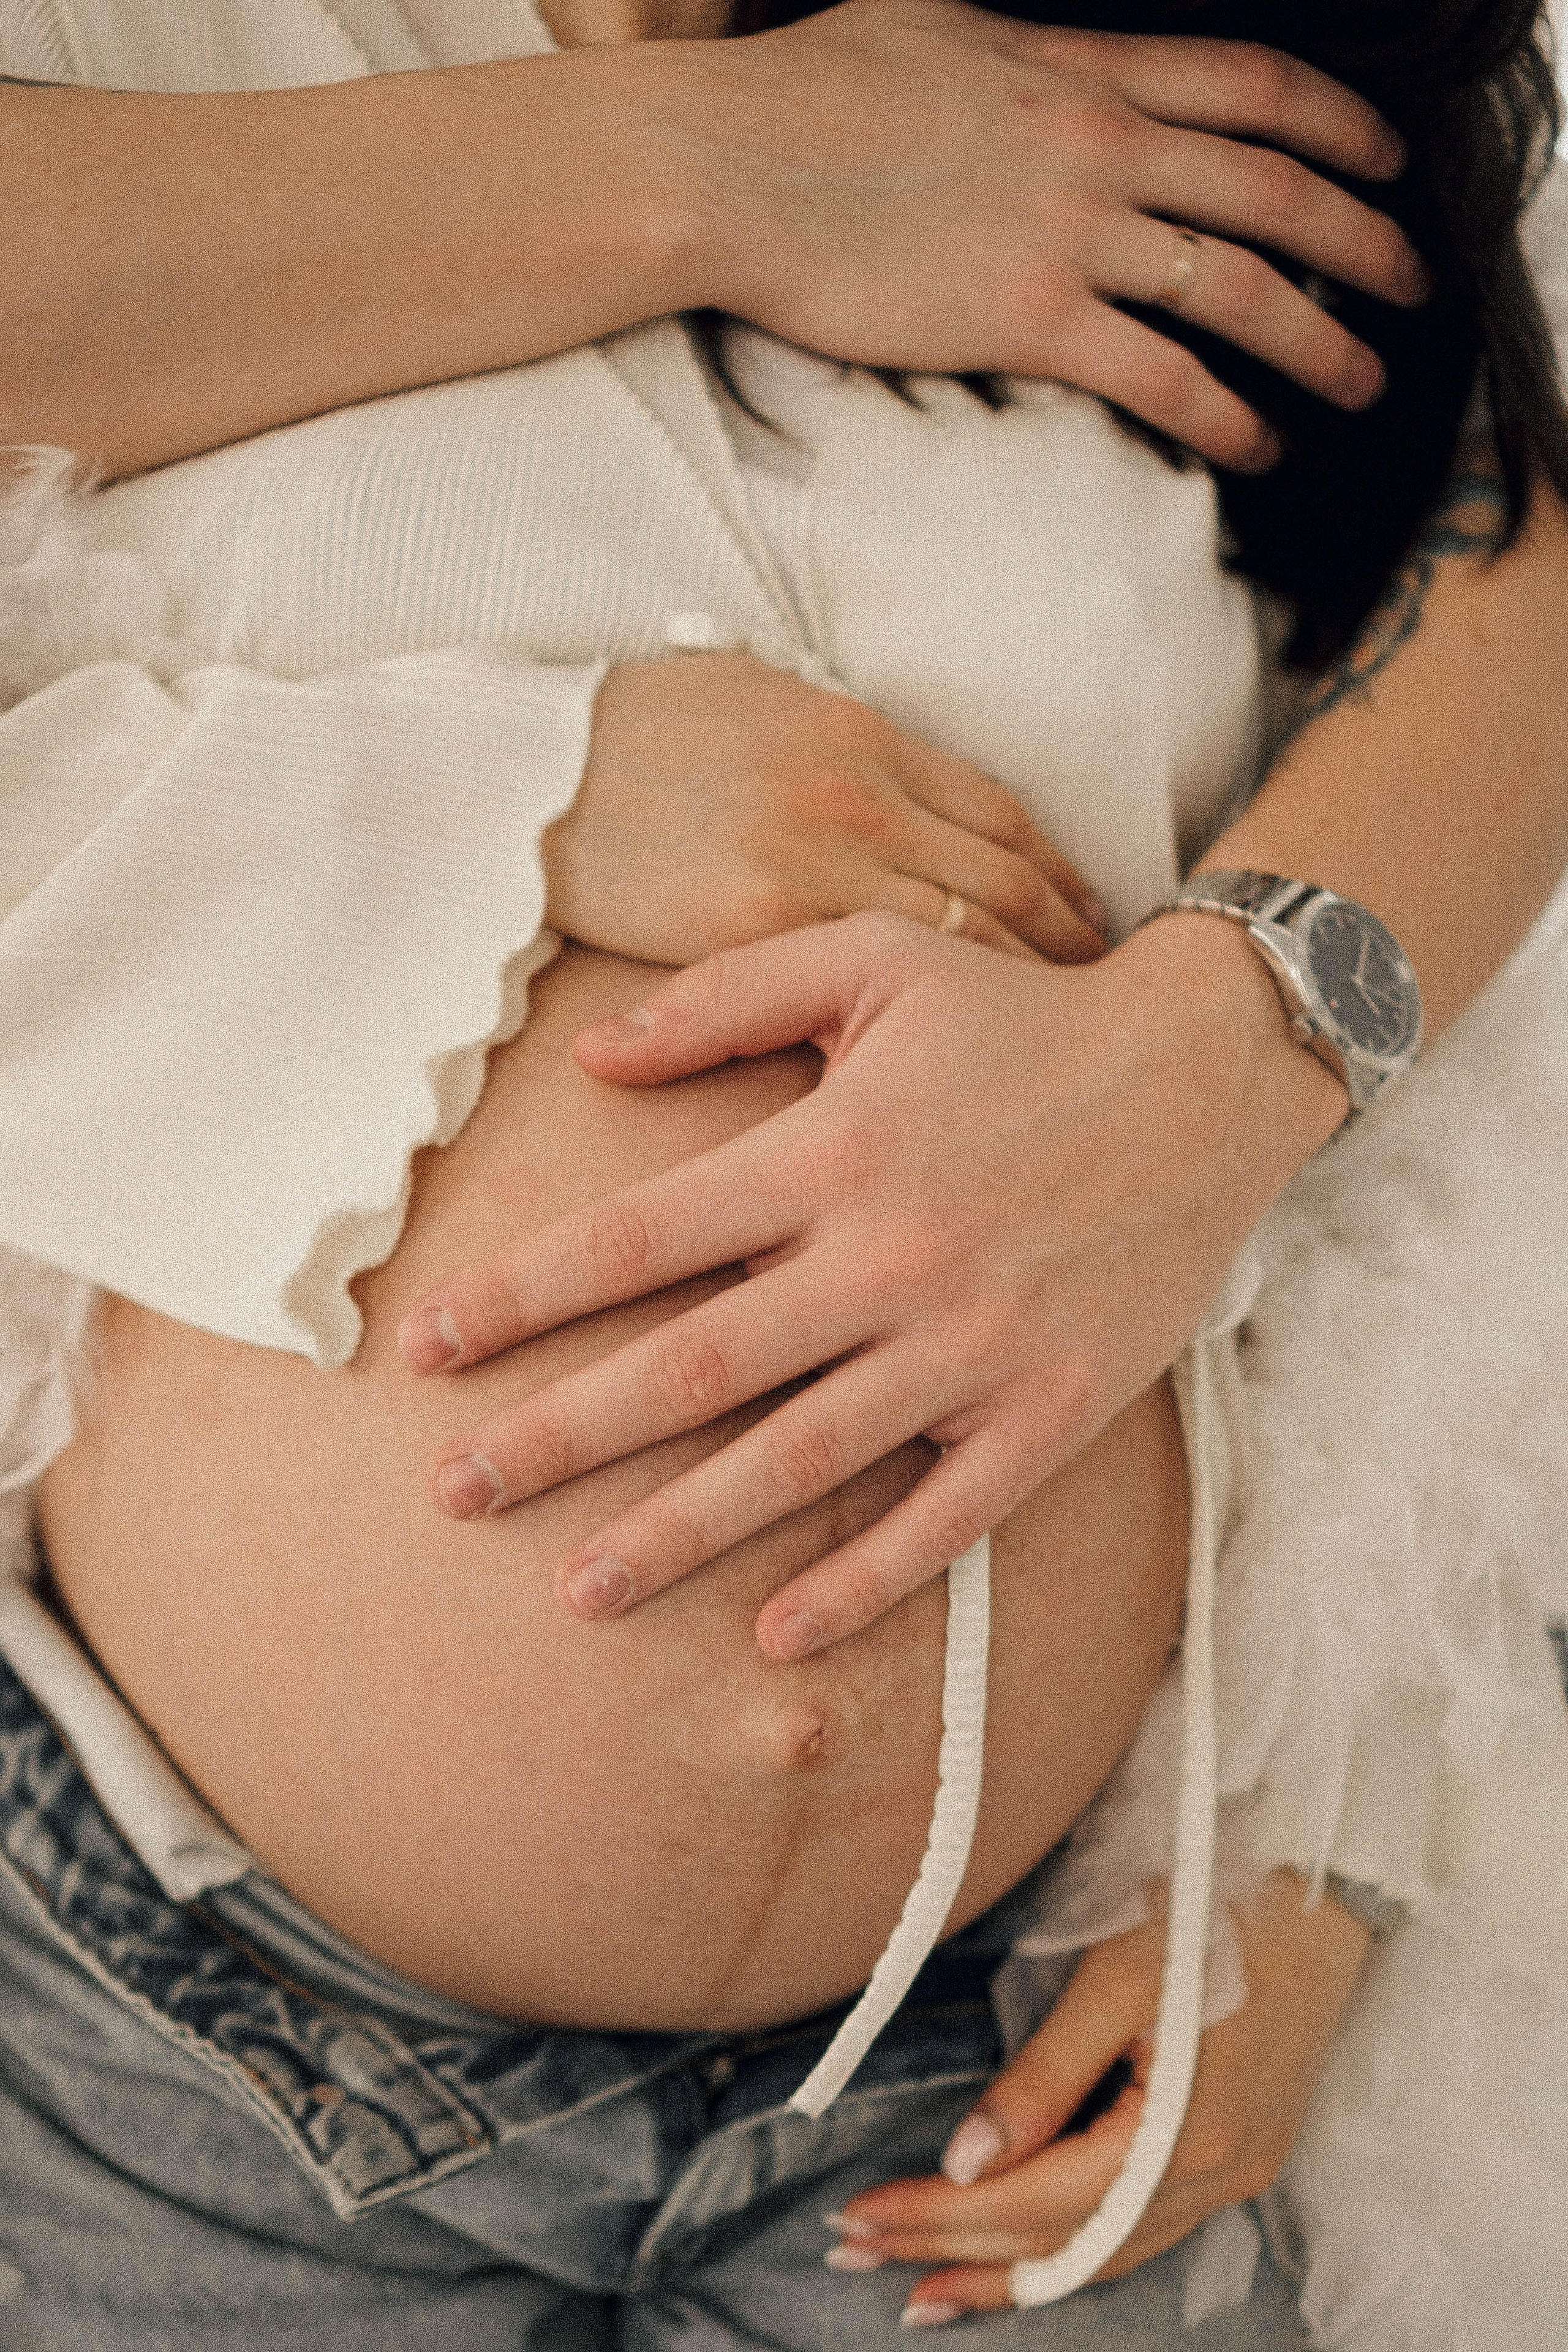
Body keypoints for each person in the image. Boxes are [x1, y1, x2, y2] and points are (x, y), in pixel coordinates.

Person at [1, 0, 1566, 2343]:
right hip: (170, 2035)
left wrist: (1324, 1807)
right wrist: (501, 797)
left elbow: (1465, 1074)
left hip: (1008, 2049)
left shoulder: (1155, 111)